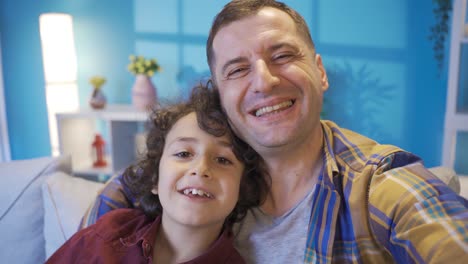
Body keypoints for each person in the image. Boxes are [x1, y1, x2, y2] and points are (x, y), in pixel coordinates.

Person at [81, 0, 468, 263]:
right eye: (237, 69)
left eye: (282, 56)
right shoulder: (177, 180)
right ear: (221, 94)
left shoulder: (379, 188)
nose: (264, 82)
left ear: (320, 71)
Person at [47, 83, 269, 263]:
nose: (201, 169)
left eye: (223, 159)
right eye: (183, 154)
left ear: (242, 188)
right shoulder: (107, 235)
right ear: (155, 178)